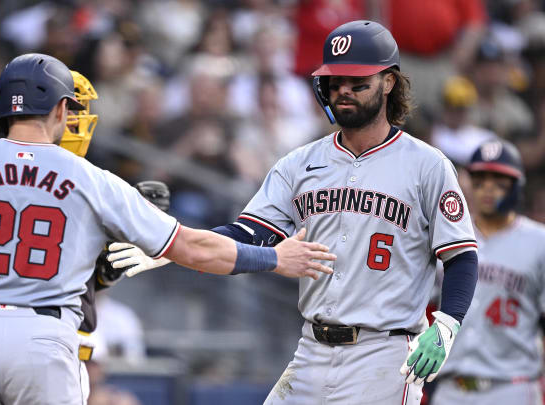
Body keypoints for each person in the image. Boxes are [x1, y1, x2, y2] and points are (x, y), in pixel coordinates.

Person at [0, 53, 336, 405]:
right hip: (44, 340)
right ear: (62, 109)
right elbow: (191, 248)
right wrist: (273, 256)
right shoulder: (89, 178)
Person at [107, 21, 480, 405]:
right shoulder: (300, 163)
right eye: (335, 82)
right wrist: (176, 244)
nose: (344, 91)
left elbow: (461, 256)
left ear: (388, 82)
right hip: (311, 349)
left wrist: (447, 325)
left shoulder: (427, 165)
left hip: (383, 353)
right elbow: (249, 234)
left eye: (357, 82)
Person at [431, 139, 545, 404]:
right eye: (480, 179)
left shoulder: (539, 241)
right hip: (449, 388)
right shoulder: (448, 234)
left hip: (512, 387)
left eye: (499, 181)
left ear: (518, 185)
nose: (488, 189)